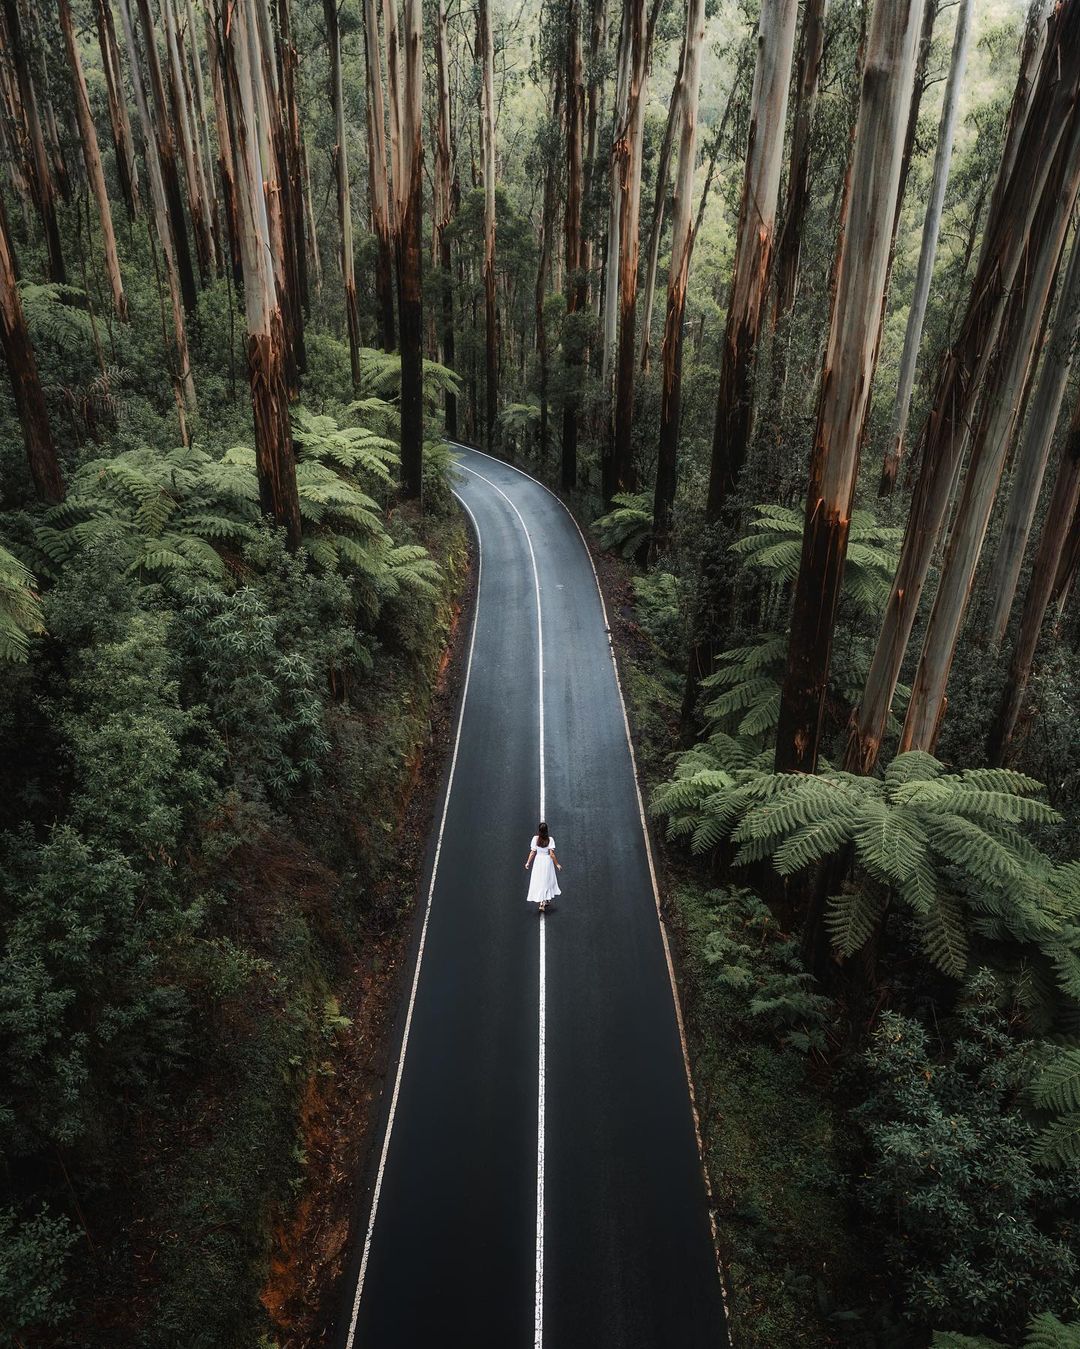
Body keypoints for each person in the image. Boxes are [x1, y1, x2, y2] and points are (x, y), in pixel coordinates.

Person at [524, 822, 562, 912]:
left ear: (539, 831)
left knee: (539, 881)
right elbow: (552, 855)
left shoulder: (535, 839)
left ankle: (542, 902)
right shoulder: (550, 840)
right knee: (547, 881)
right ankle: (545, 900)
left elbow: (533, 852)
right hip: (547, 862)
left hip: (538, 862)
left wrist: (528, 862)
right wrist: (557, 864)